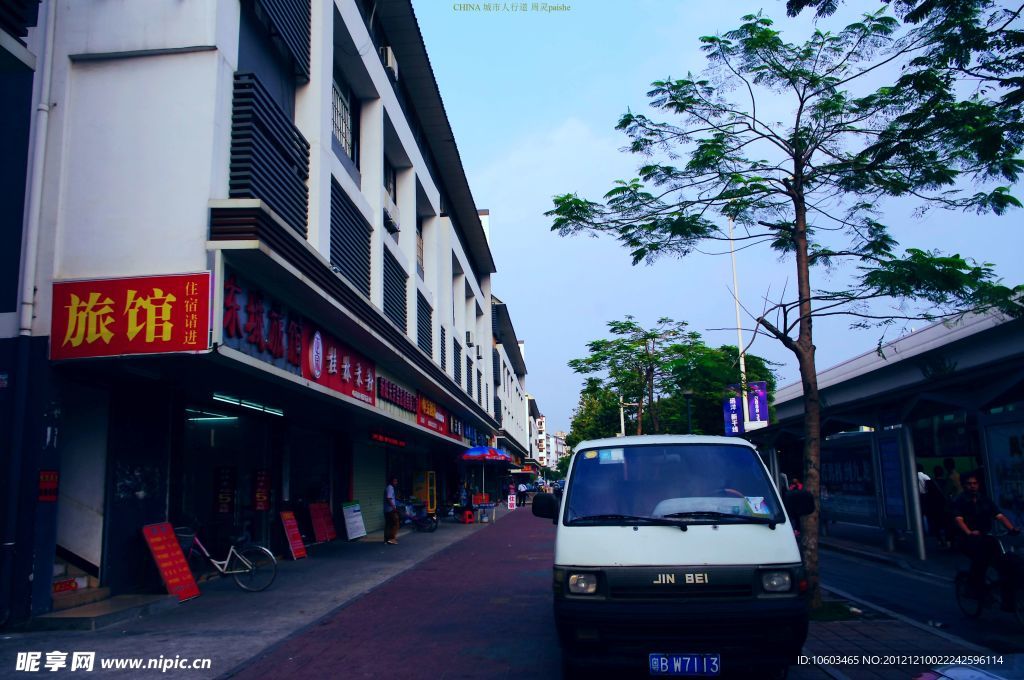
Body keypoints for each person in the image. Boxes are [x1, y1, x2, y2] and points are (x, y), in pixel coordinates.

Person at [952, 472, 1020, 610]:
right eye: (969, 484)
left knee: (1005, 562)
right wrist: (969, 532)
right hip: (967, 539)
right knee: (981, 560)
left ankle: (1005, 596)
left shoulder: (985, 500)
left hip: (985, 537)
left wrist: (1012, 529)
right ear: (964, 485)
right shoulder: (960, 501)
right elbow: (959, 519)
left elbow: (999, 516)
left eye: (975, 483)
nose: (972, 486)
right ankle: (974, 587)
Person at [384, 477, 400, 545]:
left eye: (396, 481)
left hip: (387, 509)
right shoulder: (390, 488)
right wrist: (394, 507)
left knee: (389, 524)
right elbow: (389, 498)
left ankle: (387, 539)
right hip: (390, 510)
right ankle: (391, 539)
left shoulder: (389, 487)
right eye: (395, 481)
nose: (396, 483)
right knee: (395, 523)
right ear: (391, 482)